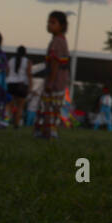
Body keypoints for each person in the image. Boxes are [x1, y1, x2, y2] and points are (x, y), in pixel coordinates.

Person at [36, 11, 69, 140]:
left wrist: (50, 82)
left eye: (53, 23)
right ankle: (50, 132)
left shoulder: (57, 42)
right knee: (54, 107)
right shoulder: (61, 40)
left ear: (62, 26)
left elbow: (55, 63)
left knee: (48, 107)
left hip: (54, 81)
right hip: (59, 80)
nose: (49, 25)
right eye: (48, 22)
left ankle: (47, 132)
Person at [5, 45, 31, 126]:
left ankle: (6, 121)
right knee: (20, 106)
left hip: (11, 84)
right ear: (25, 53)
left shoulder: (11, 60)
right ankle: (16, 124)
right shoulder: (27, 61)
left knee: (9, 105)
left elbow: (7, 72)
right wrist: (30, 86)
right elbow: (29, 74)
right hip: (22, 85)